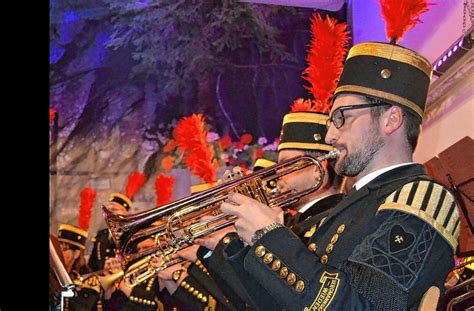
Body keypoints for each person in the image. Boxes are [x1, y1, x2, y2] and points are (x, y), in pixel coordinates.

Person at [219, 38, 461, 310]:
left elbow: (360, 307)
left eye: (341, 118)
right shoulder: (347, 206)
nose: (330, 136)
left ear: (391, 120)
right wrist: (241, 240)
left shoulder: (421, 196)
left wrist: (270, 236)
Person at [56, 224, 102, 311]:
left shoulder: (89, 280)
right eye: (58, 248)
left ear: (76, 254)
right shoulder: (54, 274)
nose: (59, 252)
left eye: (64, 249)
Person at [88, 193, 132, 272]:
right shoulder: (101, 234)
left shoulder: (130, 236)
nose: (109, 214)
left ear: (125, 213)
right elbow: (92, 264)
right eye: (108, 210)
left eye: (114, 210)